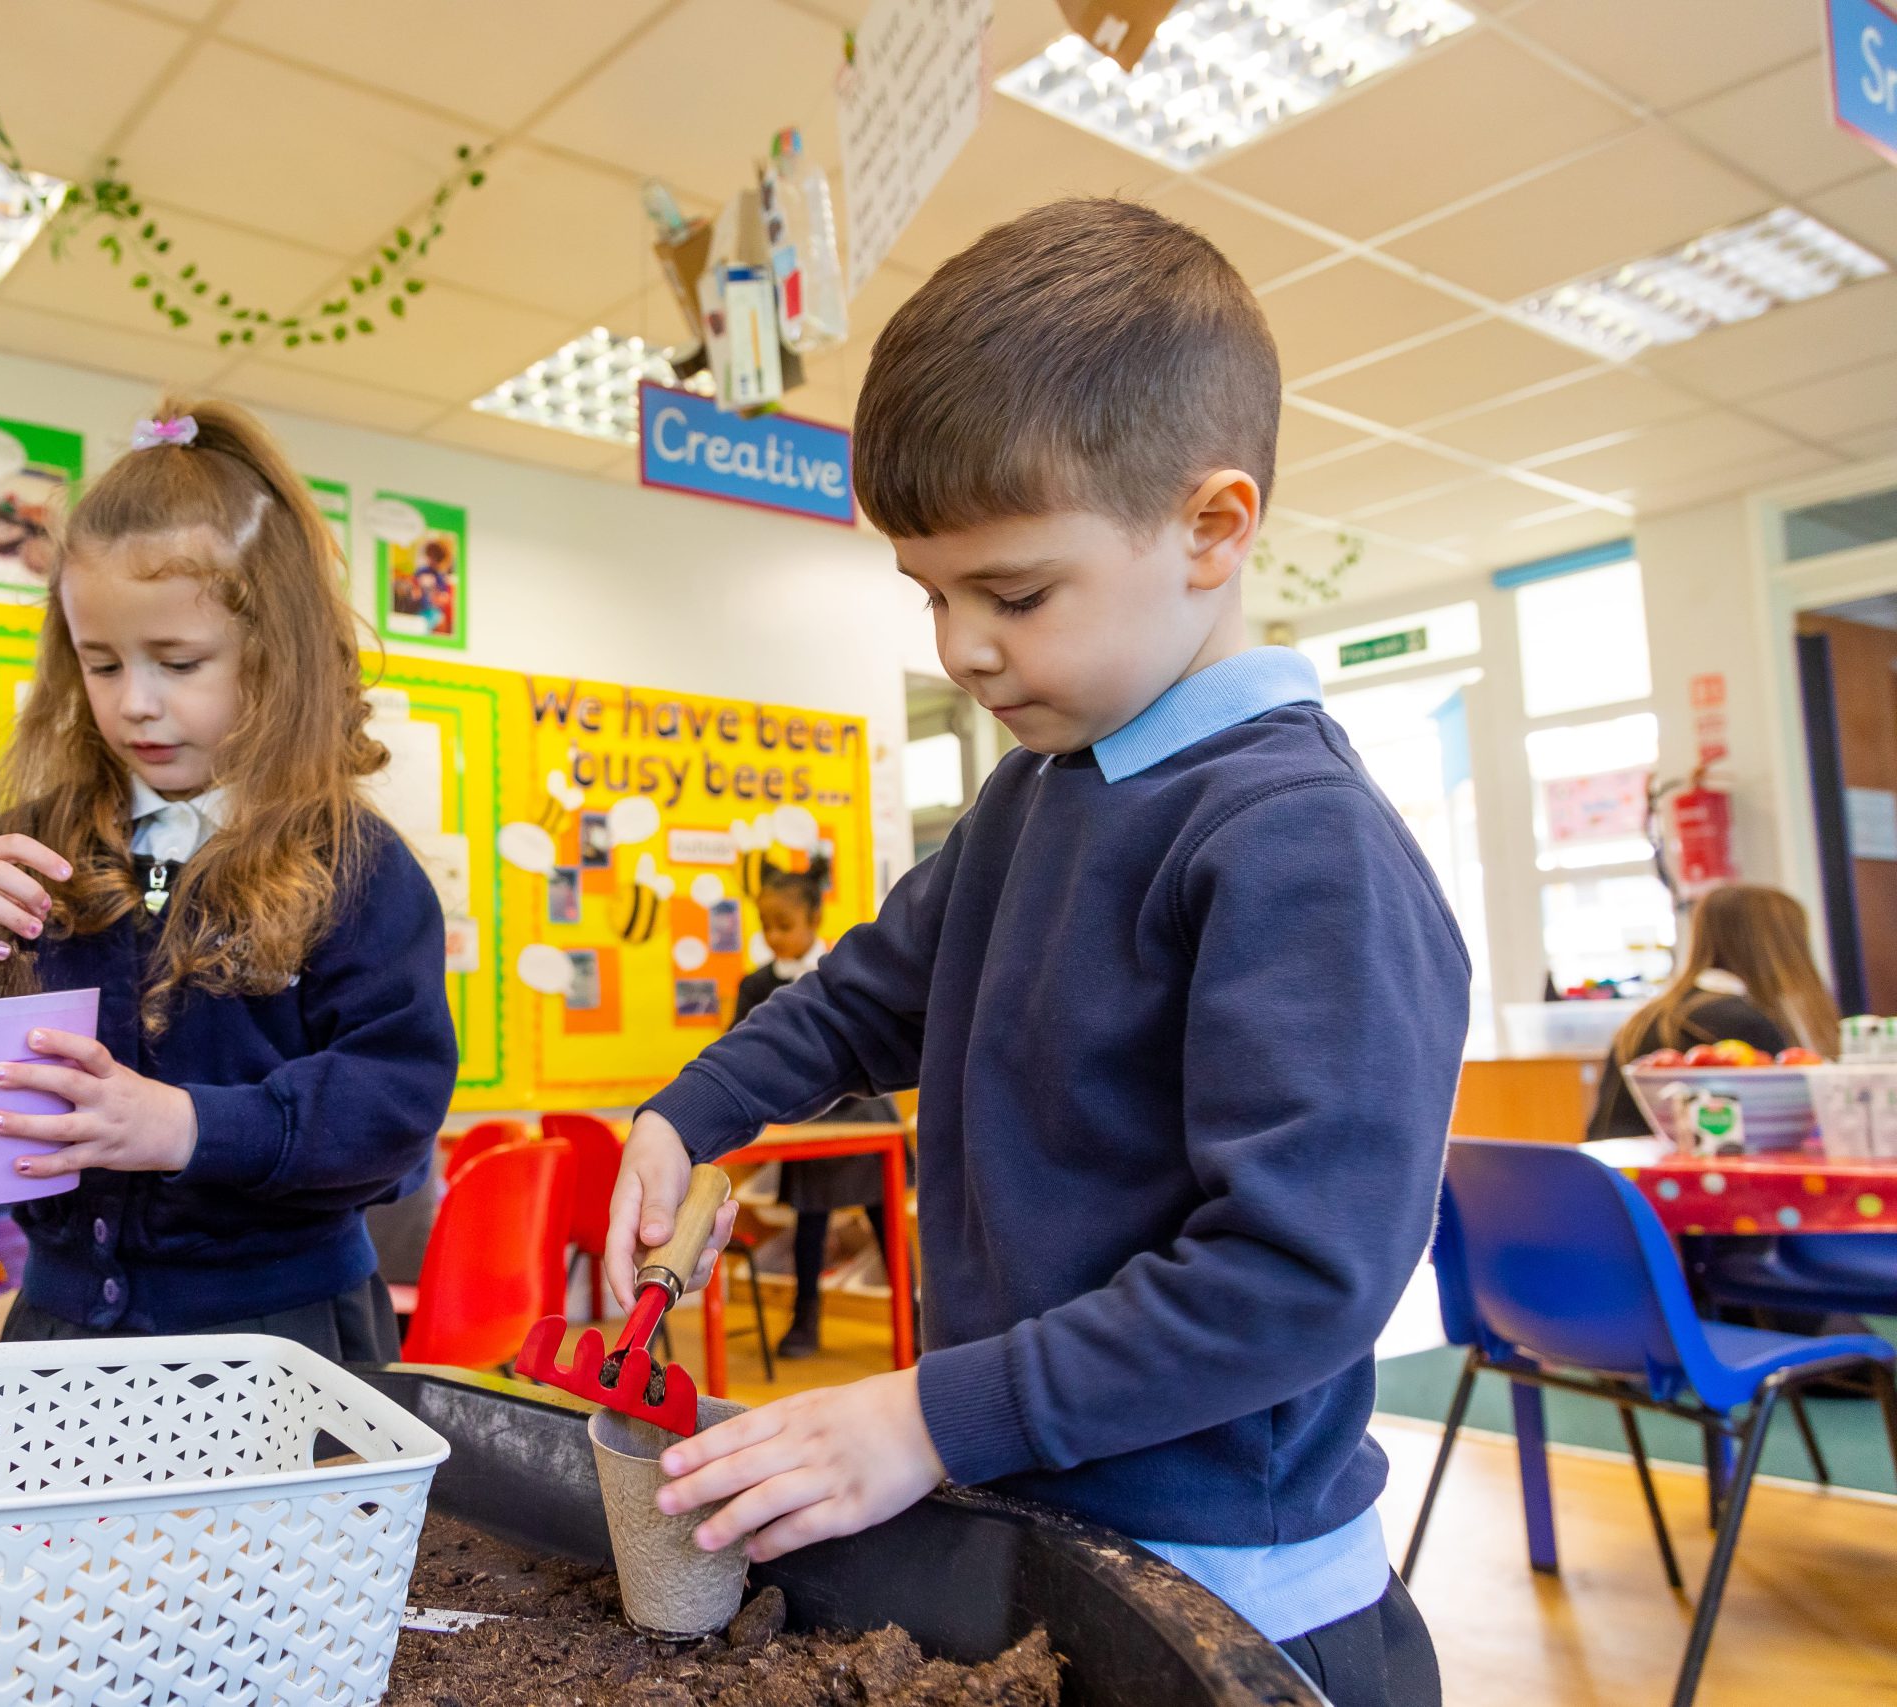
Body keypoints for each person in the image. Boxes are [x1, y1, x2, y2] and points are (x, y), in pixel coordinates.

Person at [602, 200, 1466, 1707]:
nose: (962, 649)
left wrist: (932, 1417)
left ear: (1212, 528)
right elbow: (865, 995)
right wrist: (685, 1111)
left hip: (1236, 1598)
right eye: (932, 595)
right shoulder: (1037, 795)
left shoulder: (1299, 846)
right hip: (1039, 1522)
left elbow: (1293, 1274)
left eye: (1014, 595)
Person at [0, 398, 456, 1359]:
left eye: (179, 662)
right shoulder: (34, 851)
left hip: (281, 1338)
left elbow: (395, 1105)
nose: (136, 703)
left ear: (277, 656)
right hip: (63, 1333)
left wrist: (186, 1125)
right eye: (101, 663)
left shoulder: (354, 867)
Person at [731, 856, 901, 1359]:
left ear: (812, 922)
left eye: (785, 925)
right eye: (766, 927)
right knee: (811, 1220)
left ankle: (915, 1318)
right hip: (810, 1122)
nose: (775, 937)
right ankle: (805, 1318)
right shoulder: (755, 985)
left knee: (884, 1217)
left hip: (863, 1114)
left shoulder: (839, 973)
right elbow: (741, 1048)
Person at [1587, 883, 1840, 1138]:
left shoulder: (1648, 1016)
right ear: (1782, 948)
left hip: (1617, 1171)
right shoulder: (1744, 1024)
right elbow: (1767, 1137)